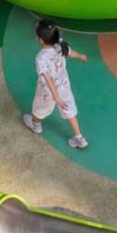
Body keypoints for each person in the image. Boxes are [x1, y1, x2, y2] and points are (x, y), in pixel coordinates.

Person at [22, 18, 89, 148]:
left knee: (40, 108)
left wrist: (56, 97)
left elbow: (48, 79)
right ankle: (79, 138)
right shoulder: (60, 44)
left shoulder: (41, 58)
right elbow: (70, 52)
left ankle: (35, 125)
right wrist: (81, 56)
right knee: (69, 109)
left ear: (40, 40)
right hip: (64, 86)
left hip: (47, 92)